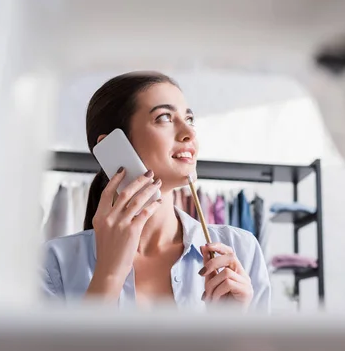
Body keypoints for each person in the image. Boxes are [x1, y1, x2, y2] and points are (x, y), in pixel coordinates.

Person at [41, 71, 271, 312]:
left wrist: (235, 324)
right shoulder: (54, 262)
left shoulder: (241, 249)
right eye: (164, 117)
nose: (189, 133)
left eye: (189, 119)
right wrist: (108, 275)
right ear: (113, 147)